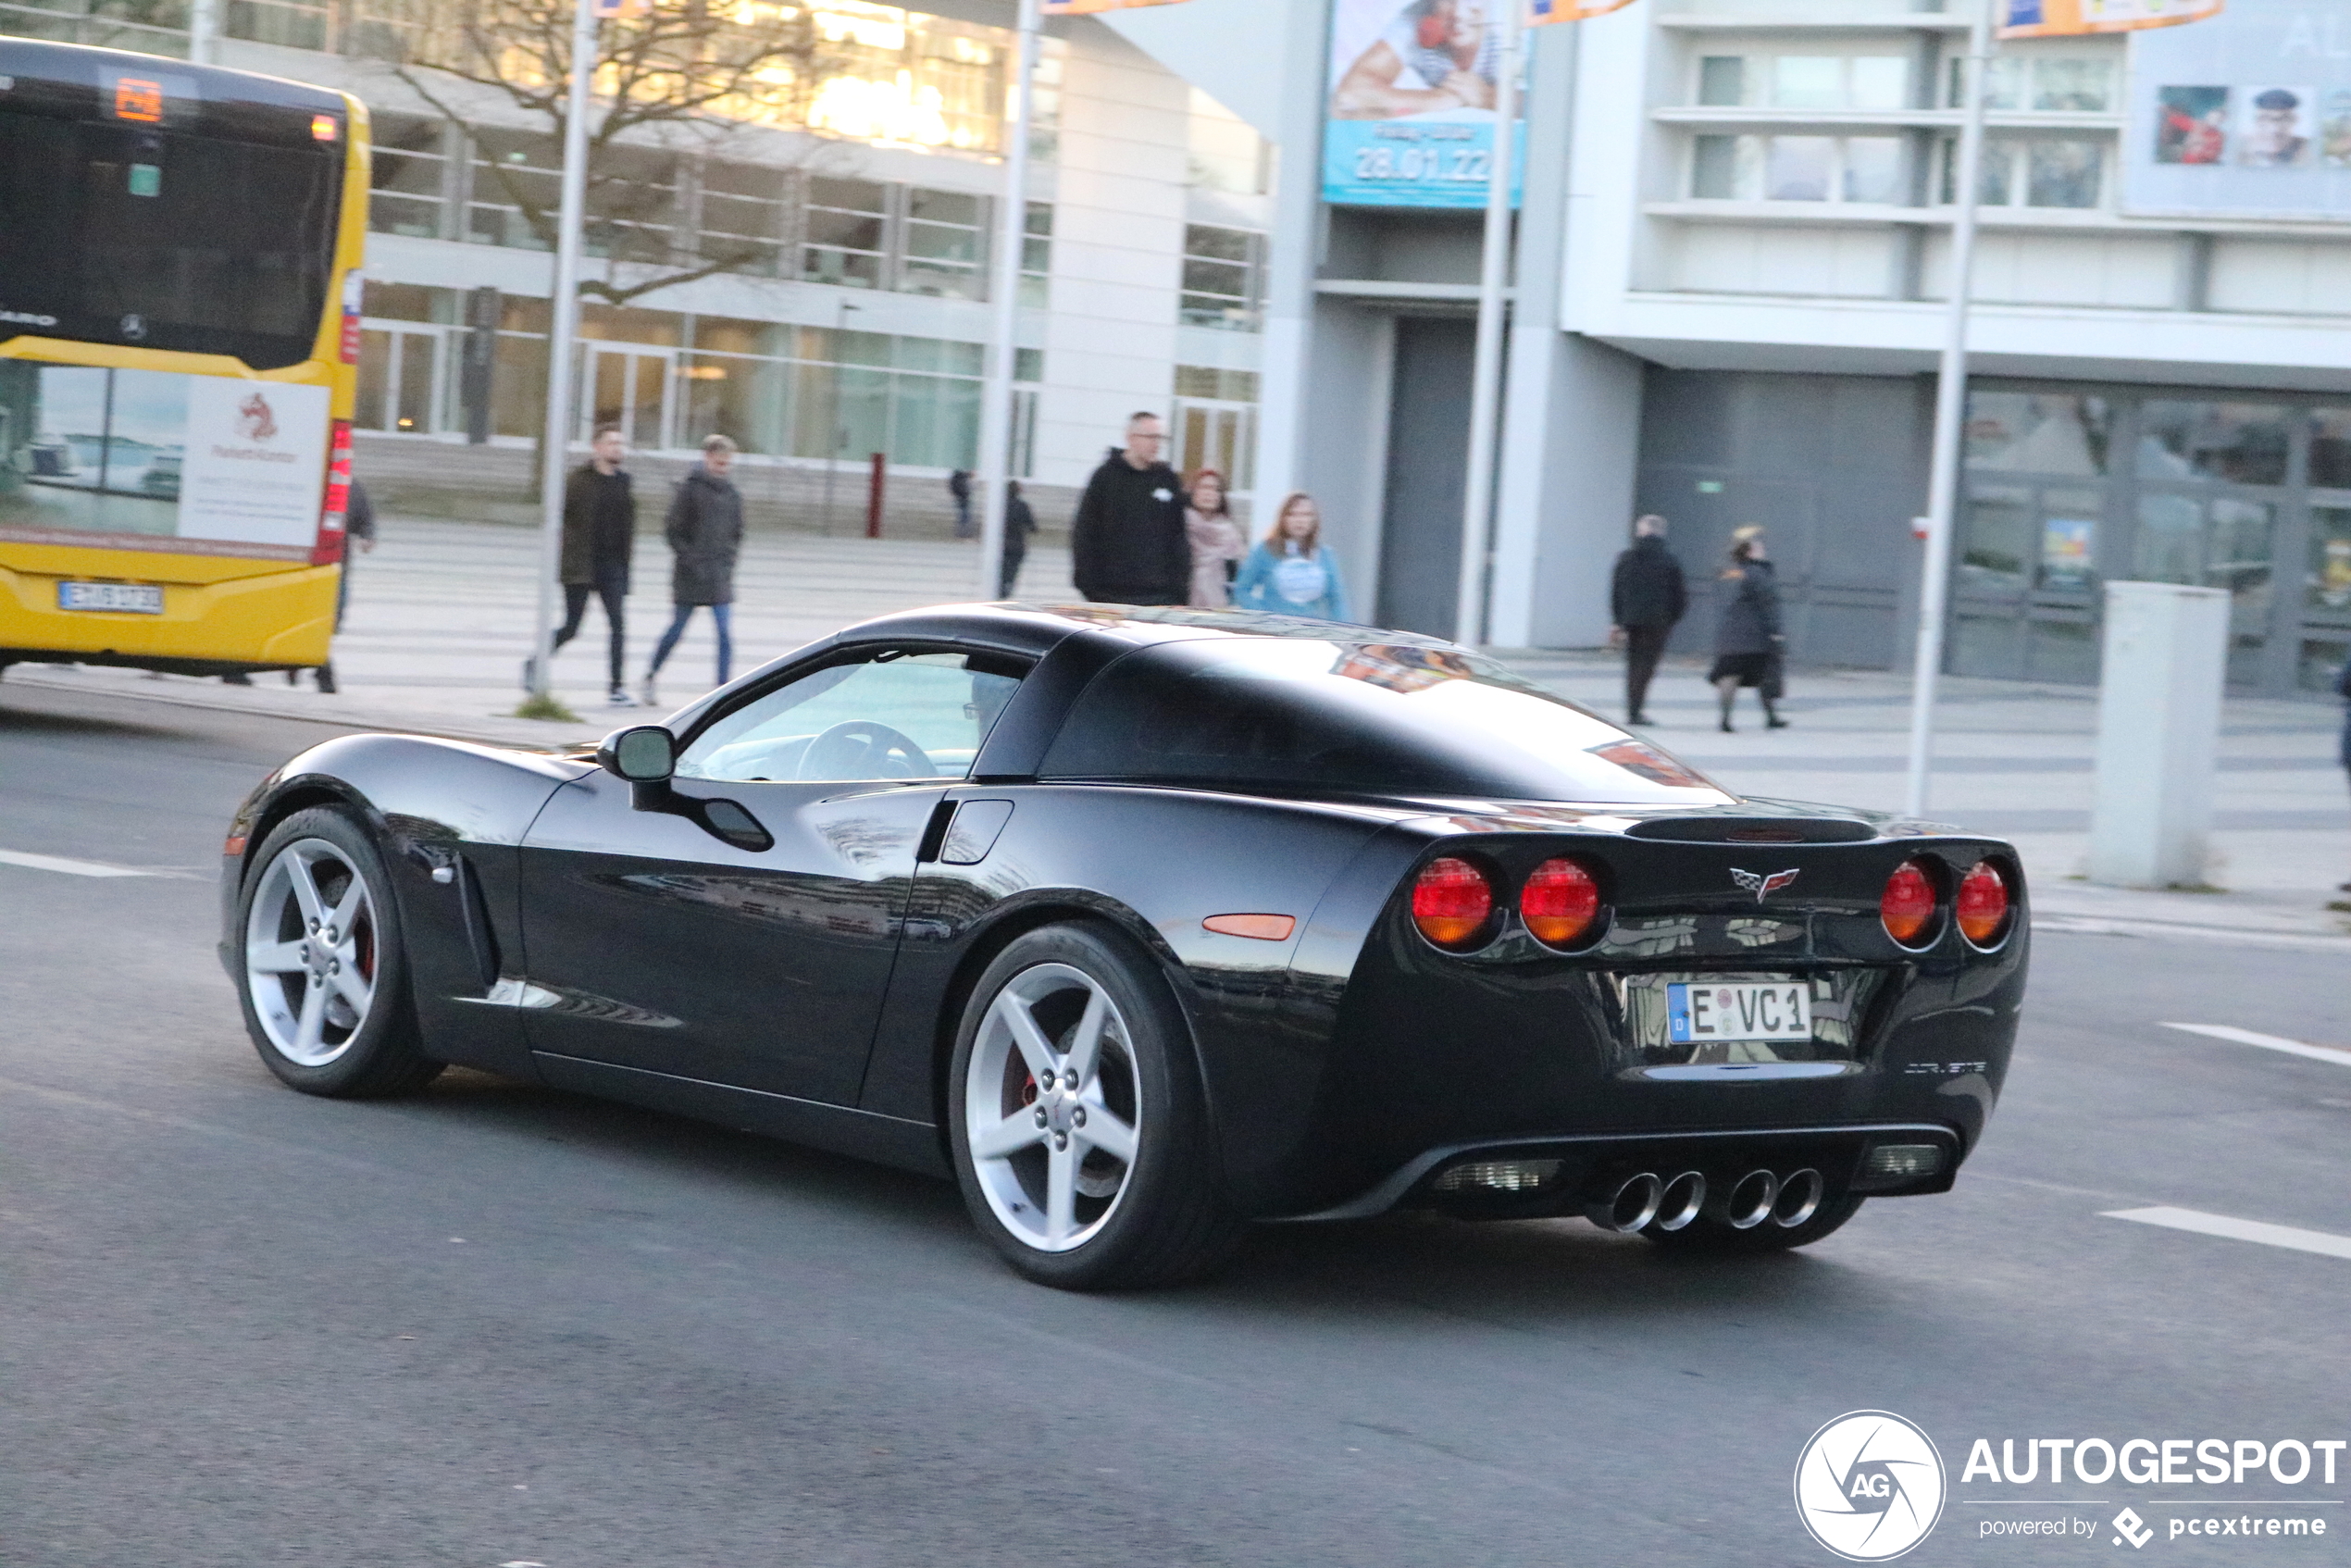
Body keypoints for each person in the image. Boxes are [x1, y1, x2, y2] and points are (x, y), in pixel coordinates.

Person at [529, 426, 636, 707]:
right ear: (596, 447)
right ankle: (535, 662)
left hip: (611, 566)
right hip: (581, 566)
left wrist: (625, 569)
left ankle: (616, 687)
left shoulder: (624, 482)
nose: (617, 448)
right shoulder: (579, 481)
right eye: (611, 442)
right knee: (572, 627)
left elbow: (627, 528)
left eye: (620, 443)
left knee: (618, 625)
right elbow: (560, 517)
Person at [641, 434, 743, 704]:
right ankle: (651, 675)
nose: (724, 468)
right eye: (720, 462)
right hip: (690, 575)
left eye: (727, 463)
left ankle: (723, 689)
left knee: (724, 634)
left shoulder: (732, 495)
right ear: (708, 458)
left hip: (719, 576)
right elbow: (673, 532)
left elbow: (736, 533)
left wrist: (728, 562)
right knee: (677, 629)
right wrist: (691, 560)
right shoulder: (689, 491)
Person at [1070, 411, 1189, 605]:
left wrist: (1179, 588)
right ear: (1131, 438)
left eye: (1160, 438)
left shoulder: (1167, 479)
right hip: (1111, 595)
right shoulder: (1105, 477)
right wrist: (1089, 586)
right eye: (1151, 437)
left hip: (1160, 595)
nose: (1156, 444)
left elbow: (1179, 536)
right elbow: (1085, 532)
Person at [1331, 0, 1498, 120]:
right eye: (1448, 0)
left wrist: (1490, 98)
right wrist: (1437, 100)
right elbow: (1350, 94)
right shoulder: (1417, 19)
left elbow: (1522, 102)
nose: (1459, 12)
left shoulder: (1511, 22)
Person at [1609, 513, 1686, 727]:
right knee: (1647, 666)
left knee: (1633, 664)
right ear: (1660, 532)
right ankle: (1638, 709)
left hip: (1632, 620)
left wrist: (1618, 620)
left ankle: (1632, 709)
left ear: (1641, 532)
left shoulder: (1626, 558)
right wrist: (1672, 618)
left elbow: (1617, 591)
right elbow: (1679, 595)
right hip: (1659, 621)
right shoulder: (1670, 560)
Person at [1709, 525, 1787, 733]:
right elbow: (1769, 603)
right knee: (1765, 675)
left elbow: (1721, 596)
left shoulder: (1727, 572)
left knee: (1729, 675)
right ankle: (1771, 716)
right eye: (1759, 547)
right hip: (1756, 634)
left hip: (1729, 634)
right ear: (1750, 551)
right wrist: (1776, 632)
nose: (1763, 549)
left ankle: (1725, 718)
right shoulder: (1758, 573)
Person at [1234, 492, 1349, 621]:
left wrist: (1346, 632)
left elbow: (1337, 601)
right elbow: (1242, 590)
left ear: (1314, 519)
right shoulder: (1265, 550)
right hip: (1273, 633)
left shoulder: (1325, 555)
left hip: (1310, 632)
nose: (1300, 520)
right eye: (1293, 514)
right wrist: (1263, 616)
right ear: (1283, 518)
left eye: (1306, 515)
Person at [1184, 467, 1248, 608]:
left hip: (1218, 606)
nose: (1210, 493)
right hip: (1181, 601)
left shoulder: (1230, 534)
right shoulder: (1181, 525)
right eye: (1204, 487)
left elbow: (1239, 575)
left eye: (1216, 489)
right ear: (1193, 491)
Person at [998, 479, 1036, 599]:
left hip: (1001, 544)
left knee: (1000, 571)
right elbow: (1033, 527)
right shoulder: (1023, 506)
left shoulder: (1000, 506)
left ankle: (1000, 591)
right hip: (1017, 545)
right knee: (1012, 572)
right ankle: (1006, 593)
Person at [948, 467, 974, 539]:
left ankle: (962, 532)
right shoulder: (962, 479)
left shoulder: (958, 478)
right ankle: (963, 533)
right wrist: (966, 494)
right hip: (963, 499)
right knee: (965, 517)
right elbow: (964, 491)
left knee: (963, 516)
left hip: (960, 499)